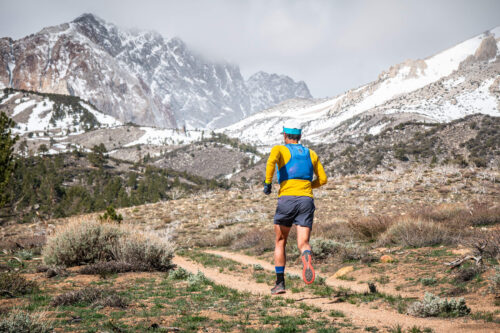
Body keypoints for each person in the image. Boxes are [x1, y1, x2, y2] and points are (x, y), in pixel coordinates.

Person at [263, 122, 328, 295]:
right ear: (299, 137)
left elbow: (271, 163)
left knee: (280, 241)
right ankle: (305, 256)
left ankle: (280, 283)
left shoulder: (279, 149)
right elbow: (323, 179)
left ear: (285, 136)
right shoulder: (311, 153)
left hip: (287, 199)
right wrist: (307, 187)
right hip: (306, 200)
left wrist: (267, 184)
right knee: (303, 242)